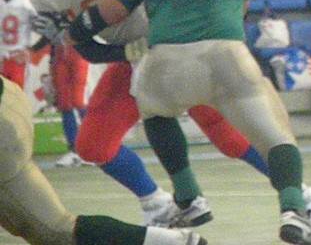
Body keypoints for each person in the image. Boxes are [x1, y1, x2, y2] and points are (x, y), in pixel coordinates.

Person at [19, 0, 311, 234]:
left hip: (173, 42)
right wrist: (122, 52)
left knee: (228, 136)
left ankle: (303, 198)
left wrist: (84, 32)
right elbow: (87, 49)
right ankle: (159, 204)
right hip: (133, 55)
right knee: (92, 145)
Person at [0, 75, 209, 245]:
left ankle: (165, 212)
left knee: (55, 231)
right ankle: (172, 237)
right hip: (8, 103)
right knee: (54, 230)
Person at [0, 0, 35, 89]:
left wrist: (31, 50)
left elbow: (43, 30)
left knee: (16, 95)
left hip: (17, 60)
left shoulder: (28, 3)